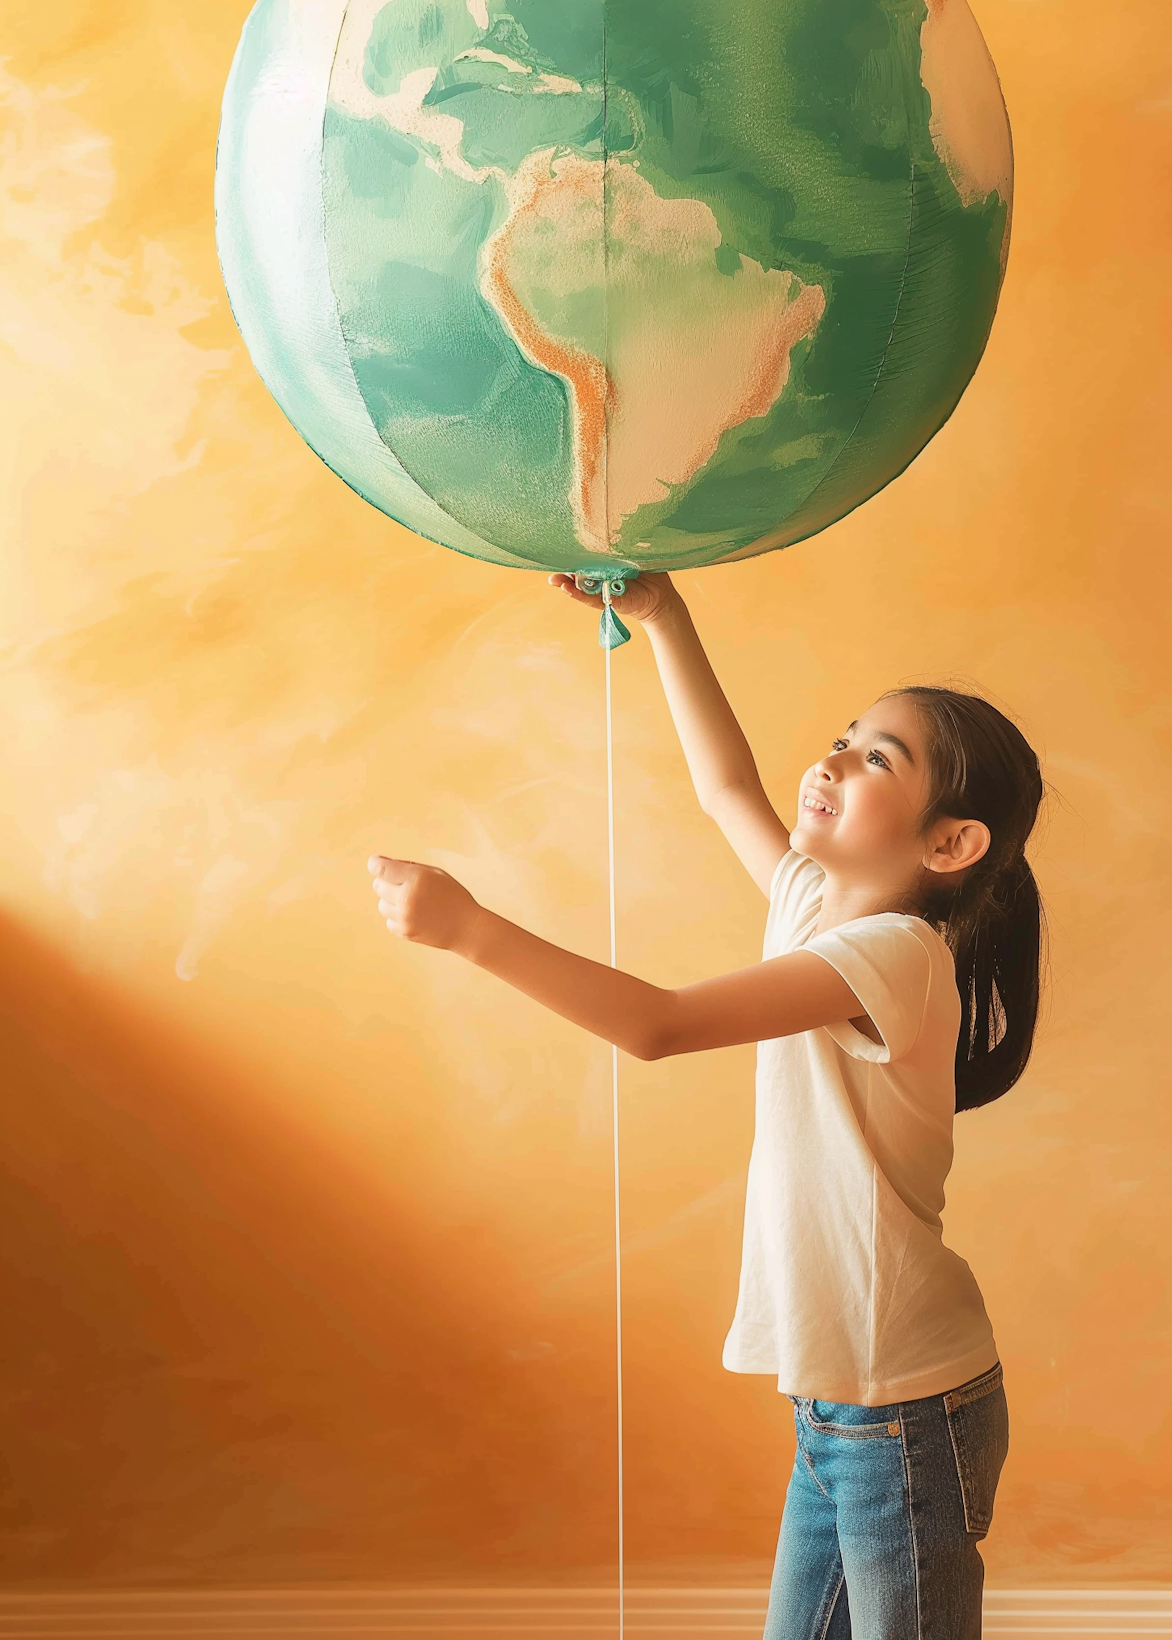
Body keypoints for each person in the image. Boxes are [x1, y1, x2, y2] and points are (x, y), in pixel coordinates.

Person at [368, 572, 1045, 1640]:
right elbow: (727, 786)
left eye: (878, 757)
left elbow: (660, 1024)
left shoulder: (894, 954)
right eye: (845, 734)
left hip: (907, 1417)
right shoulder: (816, 904)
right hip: (842, 1412)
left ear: (949, 844)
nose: (831, 758)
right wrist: (661, 615)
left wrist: (470, 929)